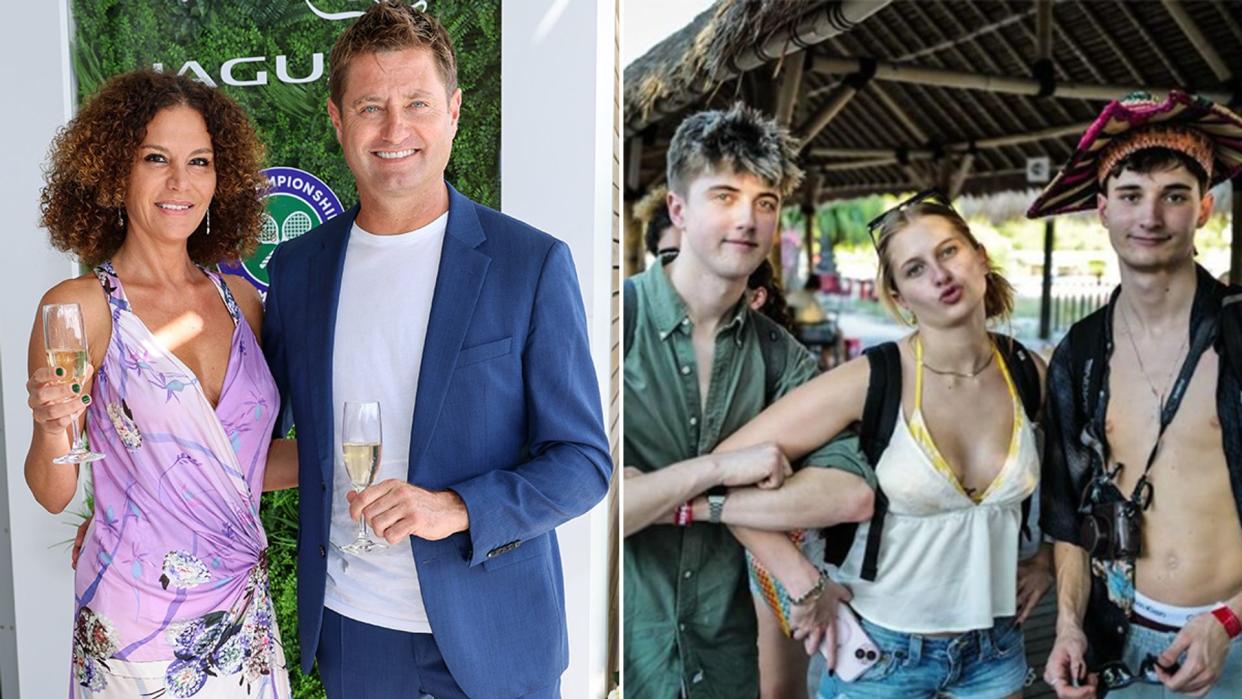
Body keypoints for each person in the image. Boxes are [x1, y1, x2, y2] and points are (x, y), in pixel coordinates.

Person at [260, 4, 611, 698]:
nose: (395, 130)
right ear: (337, 120)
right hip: (355, 633)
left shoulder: (529, 263)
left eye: (417, 103)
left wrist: (454, 507)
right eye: (370, 107)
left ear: (452, 111)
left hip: (500, 638)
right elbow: (254, 443)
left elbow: (584, 463)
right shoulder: (296, 271)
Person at [719, 190, 1052, 699]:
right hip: (884, 656)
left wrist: (1047, 559)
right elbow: (724, 468)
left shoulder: (1028, 373)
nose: (940, 276)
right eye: (915, 270)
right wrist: (805, 581)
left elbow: (1077, 477)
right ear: (898, 297)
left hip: (996, 649)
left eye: (949, 252)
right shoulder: (873, 379)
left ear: (979, 256)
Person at [27, 69, 297, 697]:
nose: (181, 182)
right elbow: (51, 490)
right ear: (115, 172)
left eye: (199, 161)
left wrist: (362, 457)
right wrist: (47, 428)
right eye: (157, 159)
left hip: (240, 606)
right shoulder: (79, 308)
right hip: (133, 619)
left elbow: (243, 467)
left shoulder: (242, 303)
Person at [622, 102, 874, 699]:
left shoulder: (782, 358)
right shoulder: (611, 323)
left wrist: (673, 497)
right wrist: (721, 470)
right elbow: (587, 510)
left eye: (765, 202)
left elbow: (849, 493)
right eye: (725, 196)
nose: (748, 220)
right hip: (614, 654)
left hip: (726, 663)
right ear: (678, 209)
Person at [1030, 90, 1242, 698]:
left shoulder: (1238, 334)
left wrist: (1228, 621)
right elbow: (1067, 517)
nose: (1150, 217)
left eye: (1173, 196)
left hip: (1231, 638)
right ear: (1102, 210)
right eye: (1130, 196)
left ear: (1203, 209)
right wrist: (1068, 628)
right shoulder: (1081, 354)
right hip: (1125, 643)